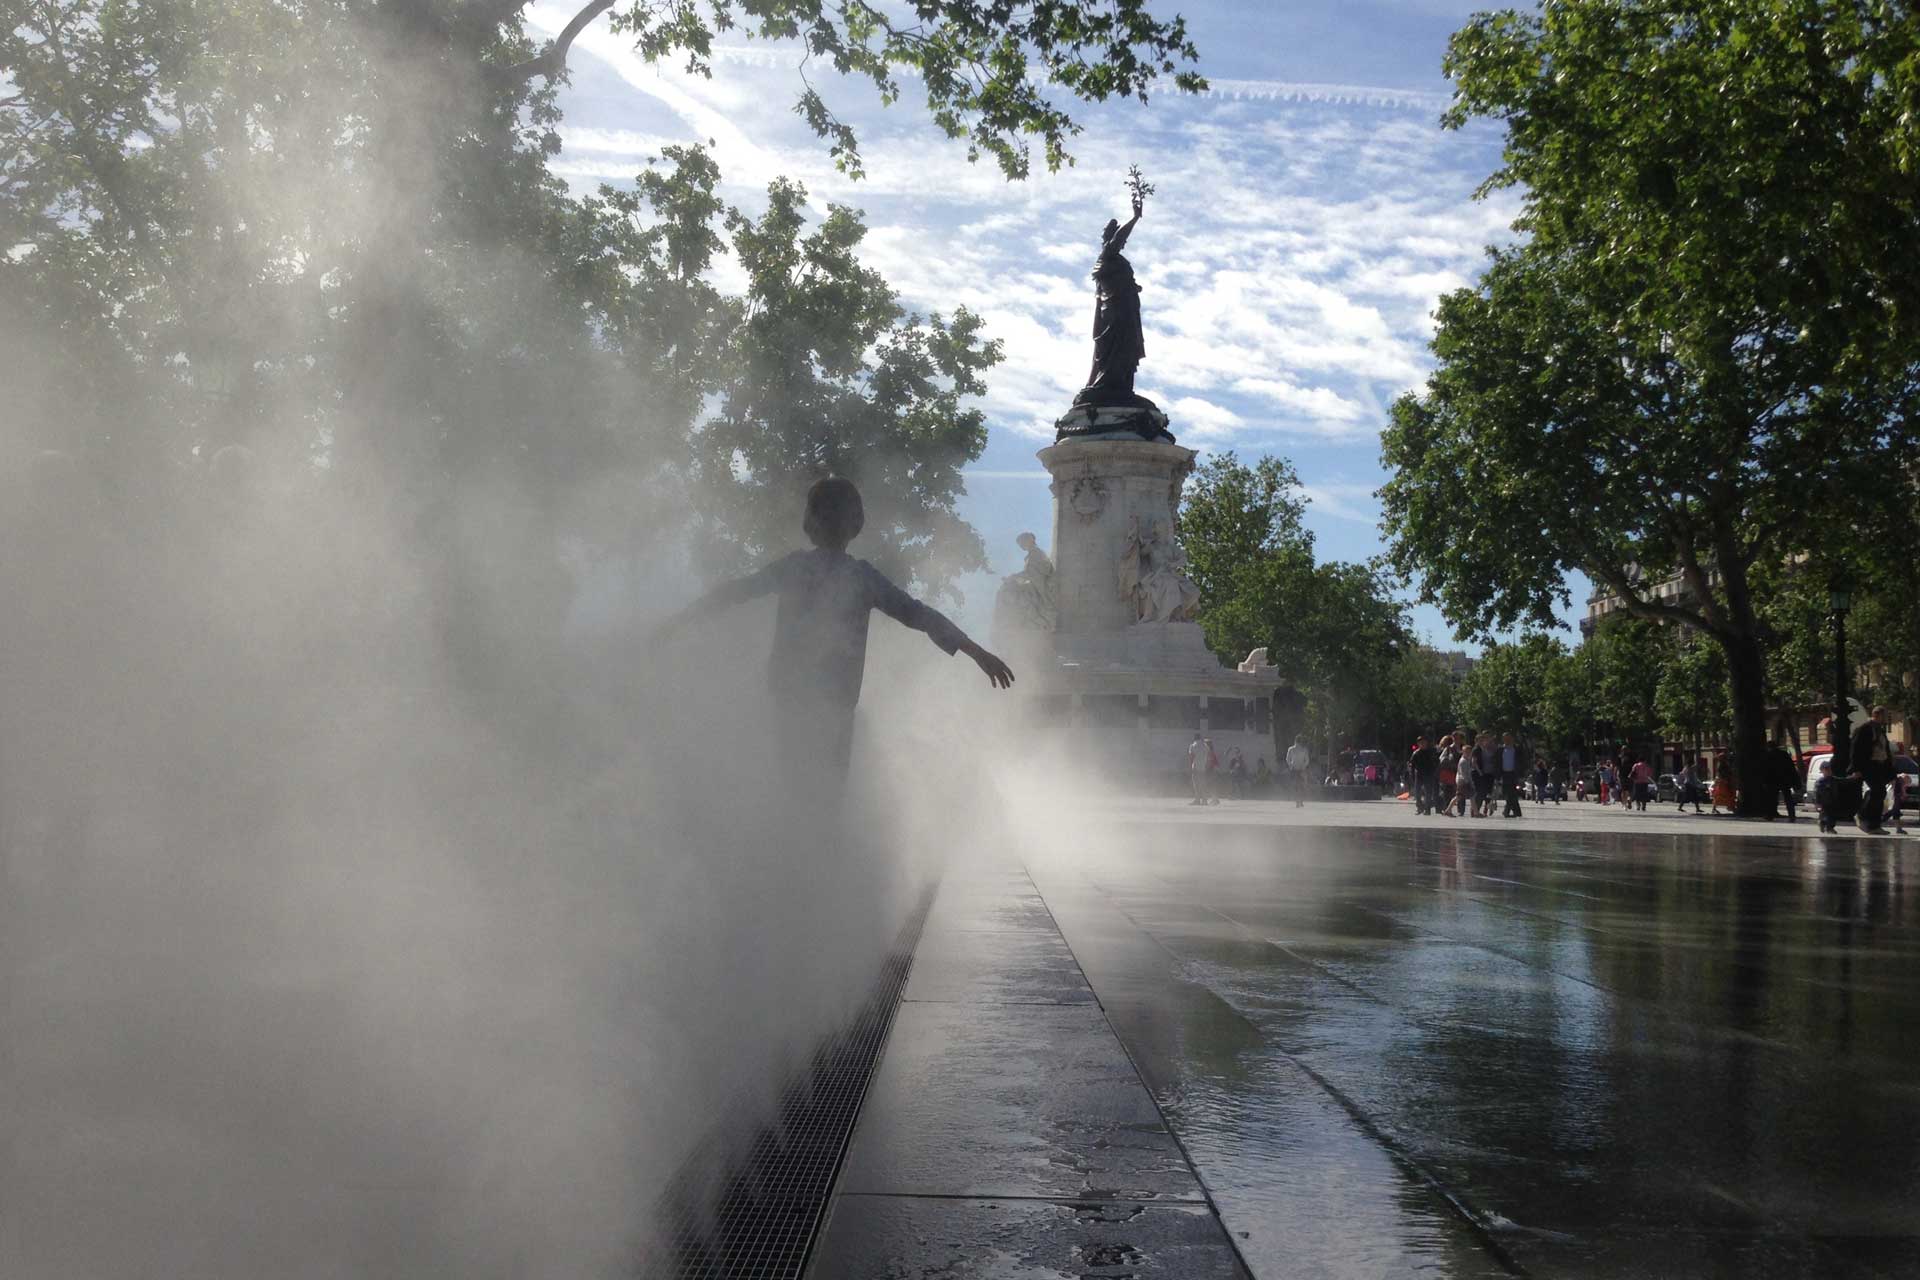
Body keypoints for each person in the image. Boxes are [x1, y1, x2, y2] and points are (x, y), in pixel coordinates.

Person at [658, 476, 1012, 787]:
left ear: (810, 522)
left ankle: (800, 855)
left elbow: (736, 591)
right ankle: (810, 855)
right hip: (821, 703)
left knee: (797, 789)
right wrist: (974, 650)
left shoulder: (808, 570)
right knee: (817, 793)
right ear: (854, 524)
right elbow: (917, 614)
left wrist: (680, 621)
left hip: (808, 701)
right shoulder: (856, 576)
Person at [1850, 705, 1898, 835]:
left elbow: (1885, 751)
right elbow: (1856, 750)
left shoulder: (1880, 730)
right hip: (1868, 765)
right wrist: (1856, 769)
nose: (1886, 719)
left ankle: (1874, 824)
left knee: (1880, 793)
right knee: (1878, 790)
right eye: (1884, 715)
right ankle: (1863, 817)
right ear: (1877, 715)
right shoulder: (1865, 729)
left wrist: (1891, 772)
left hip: (1879, 766)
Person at [1767, 739, 1800, 822]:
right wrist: (1794, 780)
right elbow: (1791, 768)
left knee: (1772, 798)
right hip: (1785, 779)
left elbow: (1765, 769)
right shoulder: (1784, 754)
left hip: (1773, 780)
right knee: (1788, 798)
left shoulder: (1768, 755)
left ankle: (1770, 815)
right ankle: (1792, 816)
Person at [1410, 736, 1439, 815]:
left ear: (1426, 743)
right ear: (1418, 744)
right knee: (1417, 793)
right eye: (1420, 743)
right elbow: (1412, 765)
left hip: (1429, 774)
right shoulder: (1416, 753)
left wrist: (1434, 772)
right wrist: (1412, 775)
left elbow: (1437, 762)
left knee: (1428, 792)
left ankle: (1427, 809)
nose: (1422, 744)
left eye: (1424, 742)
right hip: (1419, 774)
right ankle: (1419, 807)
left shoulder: (1431, 752)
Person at [1285, 734, 1312, 808]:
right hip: (1300, 769)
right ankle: (1300, 801)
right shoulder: (1304, 749)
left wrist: (1291, 766)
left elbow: (1287, 759)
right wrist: (1303, 766)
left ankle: (1298, 801)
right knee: (1301, 785)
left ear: (1295, 741)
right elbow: (1307, 760)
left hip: (1294, 769)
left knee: (1296, 786)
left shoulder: (1291, 749)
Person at [1812, 757, 1838, 832]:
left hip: (1833, 801)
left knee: (1832, 815)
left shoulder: (1834, 779)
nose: (1829, 771)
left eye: (1830, 769)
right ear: (1822, 771)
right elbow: (1816, 792)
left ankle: (1829, 826)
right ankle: (1825, 825)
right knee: (1826, 814)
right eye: (1826, 769)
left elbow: (1843, 781)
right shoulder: (1820, 782)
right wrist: (1817, 802)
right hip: (1824, 801)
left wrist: (1852, 778)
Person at [1187, 731, 1208, 806]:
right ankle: (1205, 800)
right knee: (1202, 783)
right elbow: (1207, 756)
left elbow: (1191, 757)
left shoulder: (1192, 745)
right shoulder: (1205, 746)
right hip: (1203, 767)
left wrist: (1190, 767)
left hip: (1195, 767)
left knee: (1196, 784)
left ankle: (1197, 800)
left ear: (1194, 738)